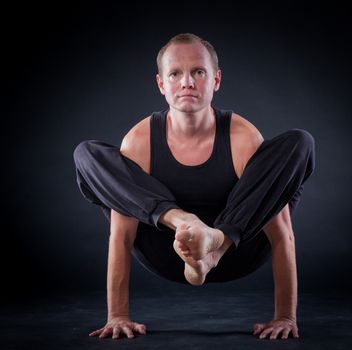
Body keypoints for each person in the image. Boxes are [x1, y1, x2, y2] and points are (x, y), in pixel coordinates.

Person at [73, 33, 315, 341]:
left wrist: (285, 316)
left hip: (236, 252)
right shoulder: (140, 140)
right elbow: (121, 236)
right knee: (86, 154)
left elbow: (282, 234)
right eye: (175, 73)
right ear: (161, 84)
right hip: (166, 254)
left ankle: (215, 246)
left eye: (198, 72)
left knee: (299, 142)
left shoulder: (242, 136)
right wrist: (117, 316)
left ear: (215, 80)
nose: (187, 82)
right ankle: (181, 218)